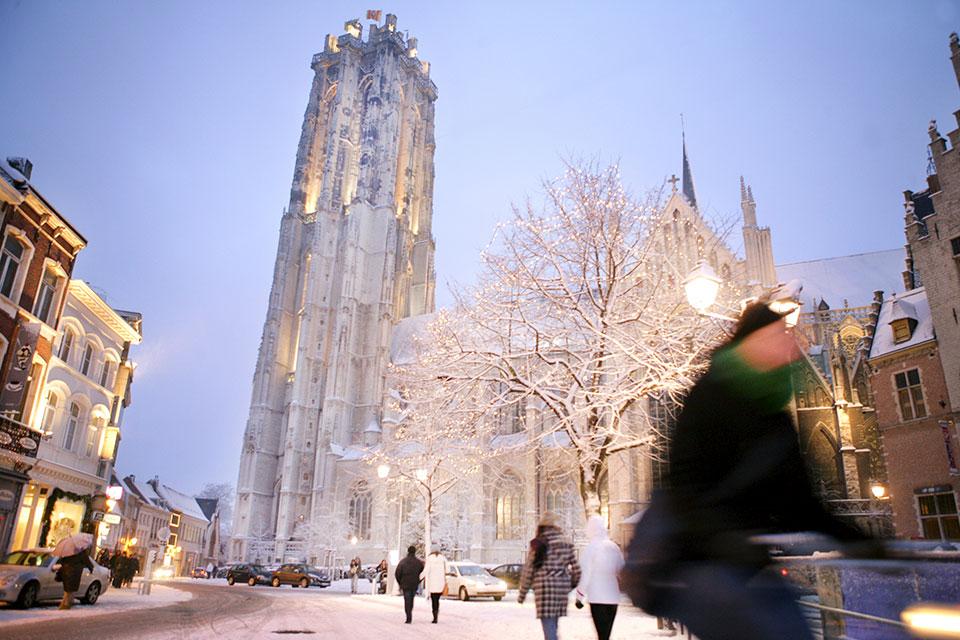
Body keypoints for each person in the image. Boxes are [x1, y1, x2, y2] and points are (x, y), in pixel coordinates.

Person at [623, 301, 878, 640]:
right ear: (752, 341)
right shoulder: (712, 394)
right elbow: (684, 483)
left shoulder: (774, 414)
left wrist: (863, 542)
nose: (789, 344)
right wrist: (722, 537)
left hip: (745, 562)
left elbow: (800, 502)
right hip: (698, 561)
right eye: (778, 335)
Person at [518, 514, 581, 640]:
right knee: (553, 625)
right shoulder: (566, 543)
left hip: (544, 590)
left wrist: (522, 593)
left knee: (548, 625)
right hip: (561, 590)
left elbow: (528, 570)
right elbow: (577, 570)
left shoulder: (538, 543)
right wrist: (570, 585)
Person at [576, 515, 624, 640]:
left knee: (601, 634)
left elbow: (585, 575)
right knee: (606, 633)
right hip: (613, 597)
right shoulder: (614, 548)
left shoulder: (590, 549)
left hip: (597, 597)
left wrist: (579, 597)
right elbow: (621, 570)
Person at [395, 545, 425, 624]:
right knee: (411, 600)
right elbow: (422, 572)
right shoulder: (418, 562)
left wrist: (400, 582)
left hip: (405, 584)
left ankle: (408, 616)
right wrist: (418, 580)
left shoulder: (403, 562)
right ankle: (410, 612)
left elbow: (397, 573)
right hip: (414, 584)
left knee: (407, 600)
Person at [420, 544, 448, 624]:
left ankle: (435, 616)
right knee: (437, 599)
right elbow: (448, 568)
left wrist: (419, 578)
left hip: (432, 582)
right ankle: (436, 613)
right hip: (440, 582)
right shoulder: (443, 558)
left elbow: (426, 570)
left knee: (434, 600)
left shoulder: (429, 559)